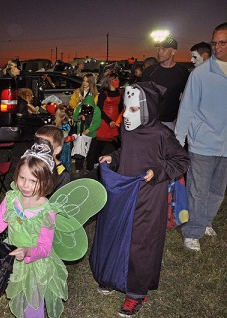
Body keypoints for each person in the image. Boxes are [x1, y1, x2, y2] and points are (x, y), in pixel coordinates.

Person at [94, 82, 189, 317]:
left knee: (141, 243)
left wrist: (157, 171)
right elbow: (125, 152)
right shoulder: (126, 130)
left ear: (148, 109)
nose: (126, 115)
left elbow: (182, 160)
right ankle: (113, 276)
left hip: (148, 197)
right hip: (123, 192)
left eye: (134, 110)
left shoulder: (161, 134)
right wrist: (112, 158)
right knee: (116, 234)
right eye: (126, 108)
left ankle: (136, 292)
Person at [0, 143, 68, 318]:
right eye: (22, 178)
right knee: (18, 294)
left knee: (33, 304)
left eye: (33, 181)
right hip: (12, 257)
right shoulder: (11, 198)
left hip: (35, 263)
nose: (25, 185)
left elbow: (44, 248)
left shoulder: (47, 212)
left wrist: (28, 251)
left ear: (46, 181)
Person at [175, 22, 227, 252]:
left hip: (226, 146)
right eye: (214, 42)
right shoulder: (200, 74)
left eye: (222, 43)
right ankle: (193, 231)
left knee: (217, 189)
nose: (217, 47)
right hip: (203, 143)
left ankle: (206, 222)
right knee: (198, 189)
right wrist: (178, 142)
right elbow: (186, 109)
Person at [141, 36, 190, 131]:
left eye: (163, 49)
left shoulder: (182, 72)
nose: (159, 52)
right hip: (151, 122)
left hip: (172, 122)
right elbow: (142, 97)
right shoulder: (149, 71)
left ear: (173, 52)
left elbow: (187, 98)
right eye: (158, 49)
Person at [90, 72, 123, 167]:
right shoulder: (104, 94)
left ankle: (118, 160)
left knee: (117, 143)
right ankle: (95, 162)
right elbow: (99, 109)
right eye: (115, 80)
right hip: (105, 122)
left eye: (118, 79)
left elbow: (120, 107)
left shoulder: (119, 92)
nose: (118, 81)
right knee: (100, 144)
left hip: (116, 121)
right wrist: (109, 121)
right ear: (110, 81)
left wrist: (119, 120)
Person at [35, 124, 71, 193]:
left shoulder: (62, 175)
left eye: (44, 146)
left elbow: (58, 198)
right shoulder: (34, 163)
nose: (38, 150)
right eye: (36, 144)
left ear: (57, 150)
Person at [72, 95, 101, 173]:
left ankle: (89, 168)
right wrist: (79, 117)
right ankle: (78, 167)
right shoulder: (80, 107)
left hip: (91, 135)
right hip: (81, 135)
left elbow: (97, 123)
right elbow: (74, 117)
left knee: (91, 153)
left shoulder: (97, 110)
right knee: (79, 151)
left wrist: (88, 130)